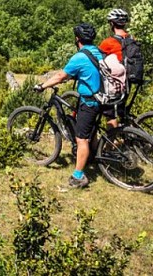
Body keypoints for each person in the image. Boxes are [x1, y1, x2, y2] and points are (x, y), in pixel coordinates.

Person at [34, 23, 102, 189]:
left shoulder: (79, 57)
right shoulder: (98, 52)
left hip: (89, 101)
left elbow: (60, 76)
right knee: (91, 132)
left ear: (77, 39)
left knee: (81, 139)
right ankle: (93, 157)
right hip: (101, 98)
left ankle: (78, 176)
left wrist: (42, 86)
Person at [99, 8, 131, 128]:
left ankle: (112, 142)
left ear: (112, 23)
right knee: (122, 111)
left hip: (116, 83)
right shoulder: (132, 39)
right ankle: (128, 135)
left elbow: (99, 61)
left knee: (110, 113)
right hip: (130, 80)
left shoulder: (108, 42)